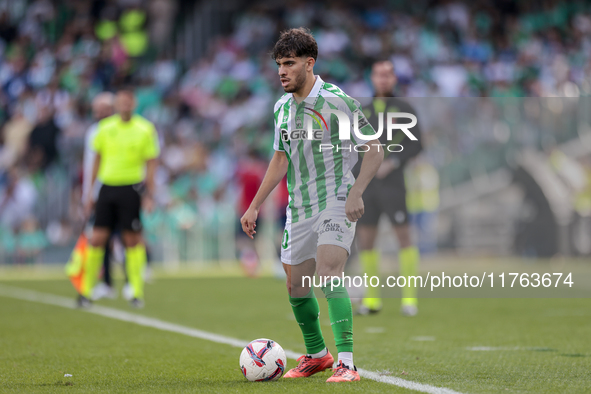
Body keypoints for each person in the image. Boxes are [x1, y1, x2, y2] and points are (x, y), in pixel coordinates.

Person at [240, 28, 383, 383]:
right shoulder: (281, 108)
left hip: (336, 199)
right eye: (278, 65)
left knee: (329, 272)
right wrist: (255, 205)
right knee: (296, 287)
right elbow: (279, 159)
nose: (282, 71)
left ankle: (347, 364)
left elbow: (375, 148)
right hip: (300, 208)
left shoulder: (339, 102)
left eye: (289, 63)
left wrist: (357, 192)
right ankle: (317, 355)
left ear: (309, 63)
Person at [352, 60, 423, 317]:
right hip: (368, 187)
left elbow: (417, 145)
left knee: (403, 236)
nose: (383, 79)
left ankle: (409, 299)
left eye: (388, 74)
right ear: (371, 77)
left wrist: (392, 162)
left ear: (394, 79)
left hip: (394, 185)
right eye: (378, 74)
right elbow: (353, 146)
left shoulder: (405, 110)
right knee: (366, 240)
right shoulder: (363, 110)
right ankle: (371, 300)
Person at [82, 90, 159, 308]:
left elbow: (151, 163)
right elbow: (96, 160)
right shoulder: (104, 129)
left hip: (131, 188)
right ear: (116, 105)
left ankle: (136, 290)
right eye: (121, 103)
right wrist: (89, 193)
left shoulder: (145, 129)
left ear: (133, 104)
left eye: (128, 102)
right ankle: (86, 291)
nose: (124, 106)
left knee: (132, 239)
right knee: (97, 238)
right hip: (107, 188)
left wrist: (150, 195)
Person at [82, 92, 116, 300]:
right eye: (96, 109)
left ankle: (135, 278)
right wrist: (88, 192)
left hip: (118, 187)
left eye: (102, 108)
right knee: (102, 236)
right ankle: (106, 281)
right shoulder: (93, 131)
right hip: (100, 190)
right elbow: (89, 165)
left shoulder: (117, 129)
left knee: (128, 233)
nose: (98, 113)